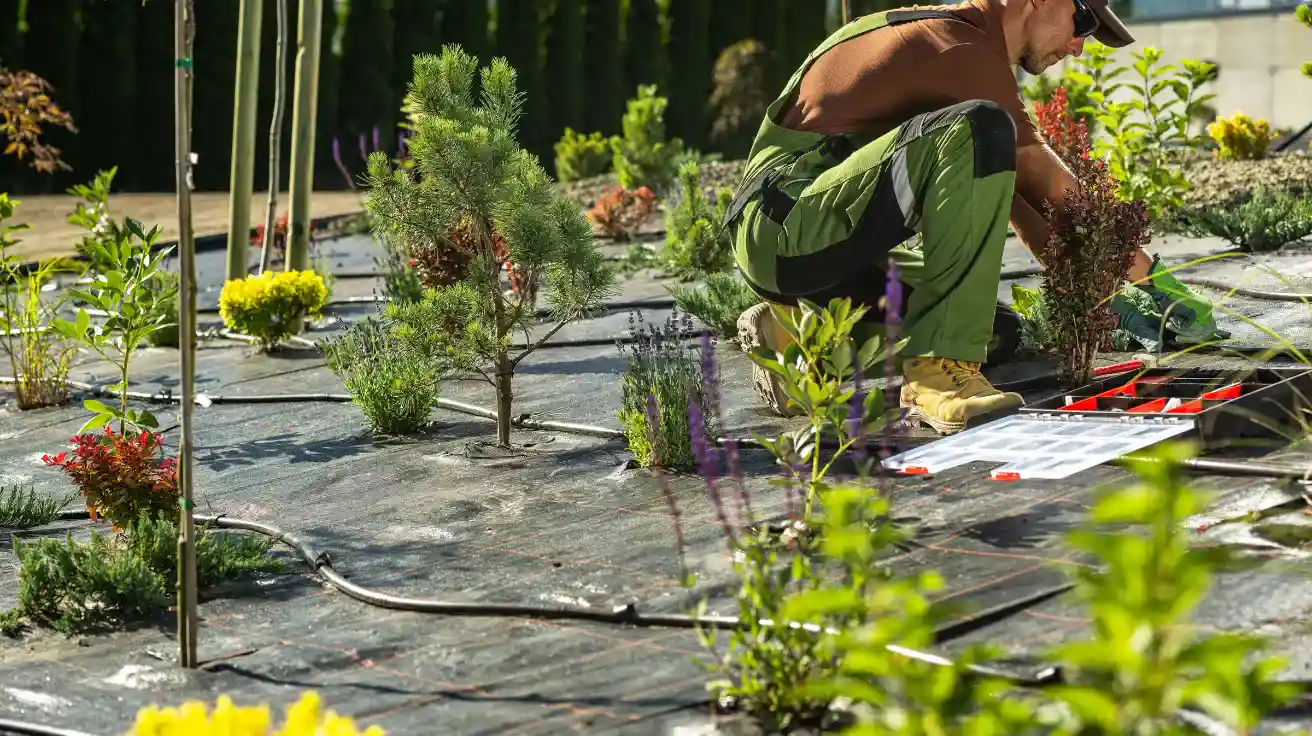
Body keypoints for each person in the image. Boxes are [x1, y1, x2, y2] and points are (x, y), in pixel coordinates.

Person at [722, 0, 1230, 436]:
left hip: (830, 245)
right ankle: (936, 376)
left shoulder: (966, 53)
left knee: (993, 332)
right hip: (782, 228)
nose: (1080, 46)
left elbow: (1026, 207)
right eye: (1083, 21)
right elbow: (1045, 179)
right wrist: (1152, 278)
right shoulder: (954, 46)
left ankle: (802, 344)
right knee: (982, 128)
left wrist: (1102, 294)